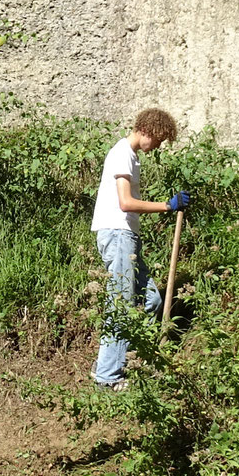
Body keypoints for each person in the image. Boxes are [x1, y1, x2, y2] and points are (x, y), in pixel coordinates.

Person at [92, 108, 191, 390]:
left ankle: (119, 360)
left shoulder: (131, 156)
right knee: (121, 305)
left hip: (127, 237)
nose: (157, 147)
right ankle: (107, 377)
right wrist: (167, 206)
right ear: (149, 131)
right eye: (158, 141)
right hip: (117, 234)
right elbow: (125, 203)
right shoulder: (122, 152)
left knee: (151, 301)